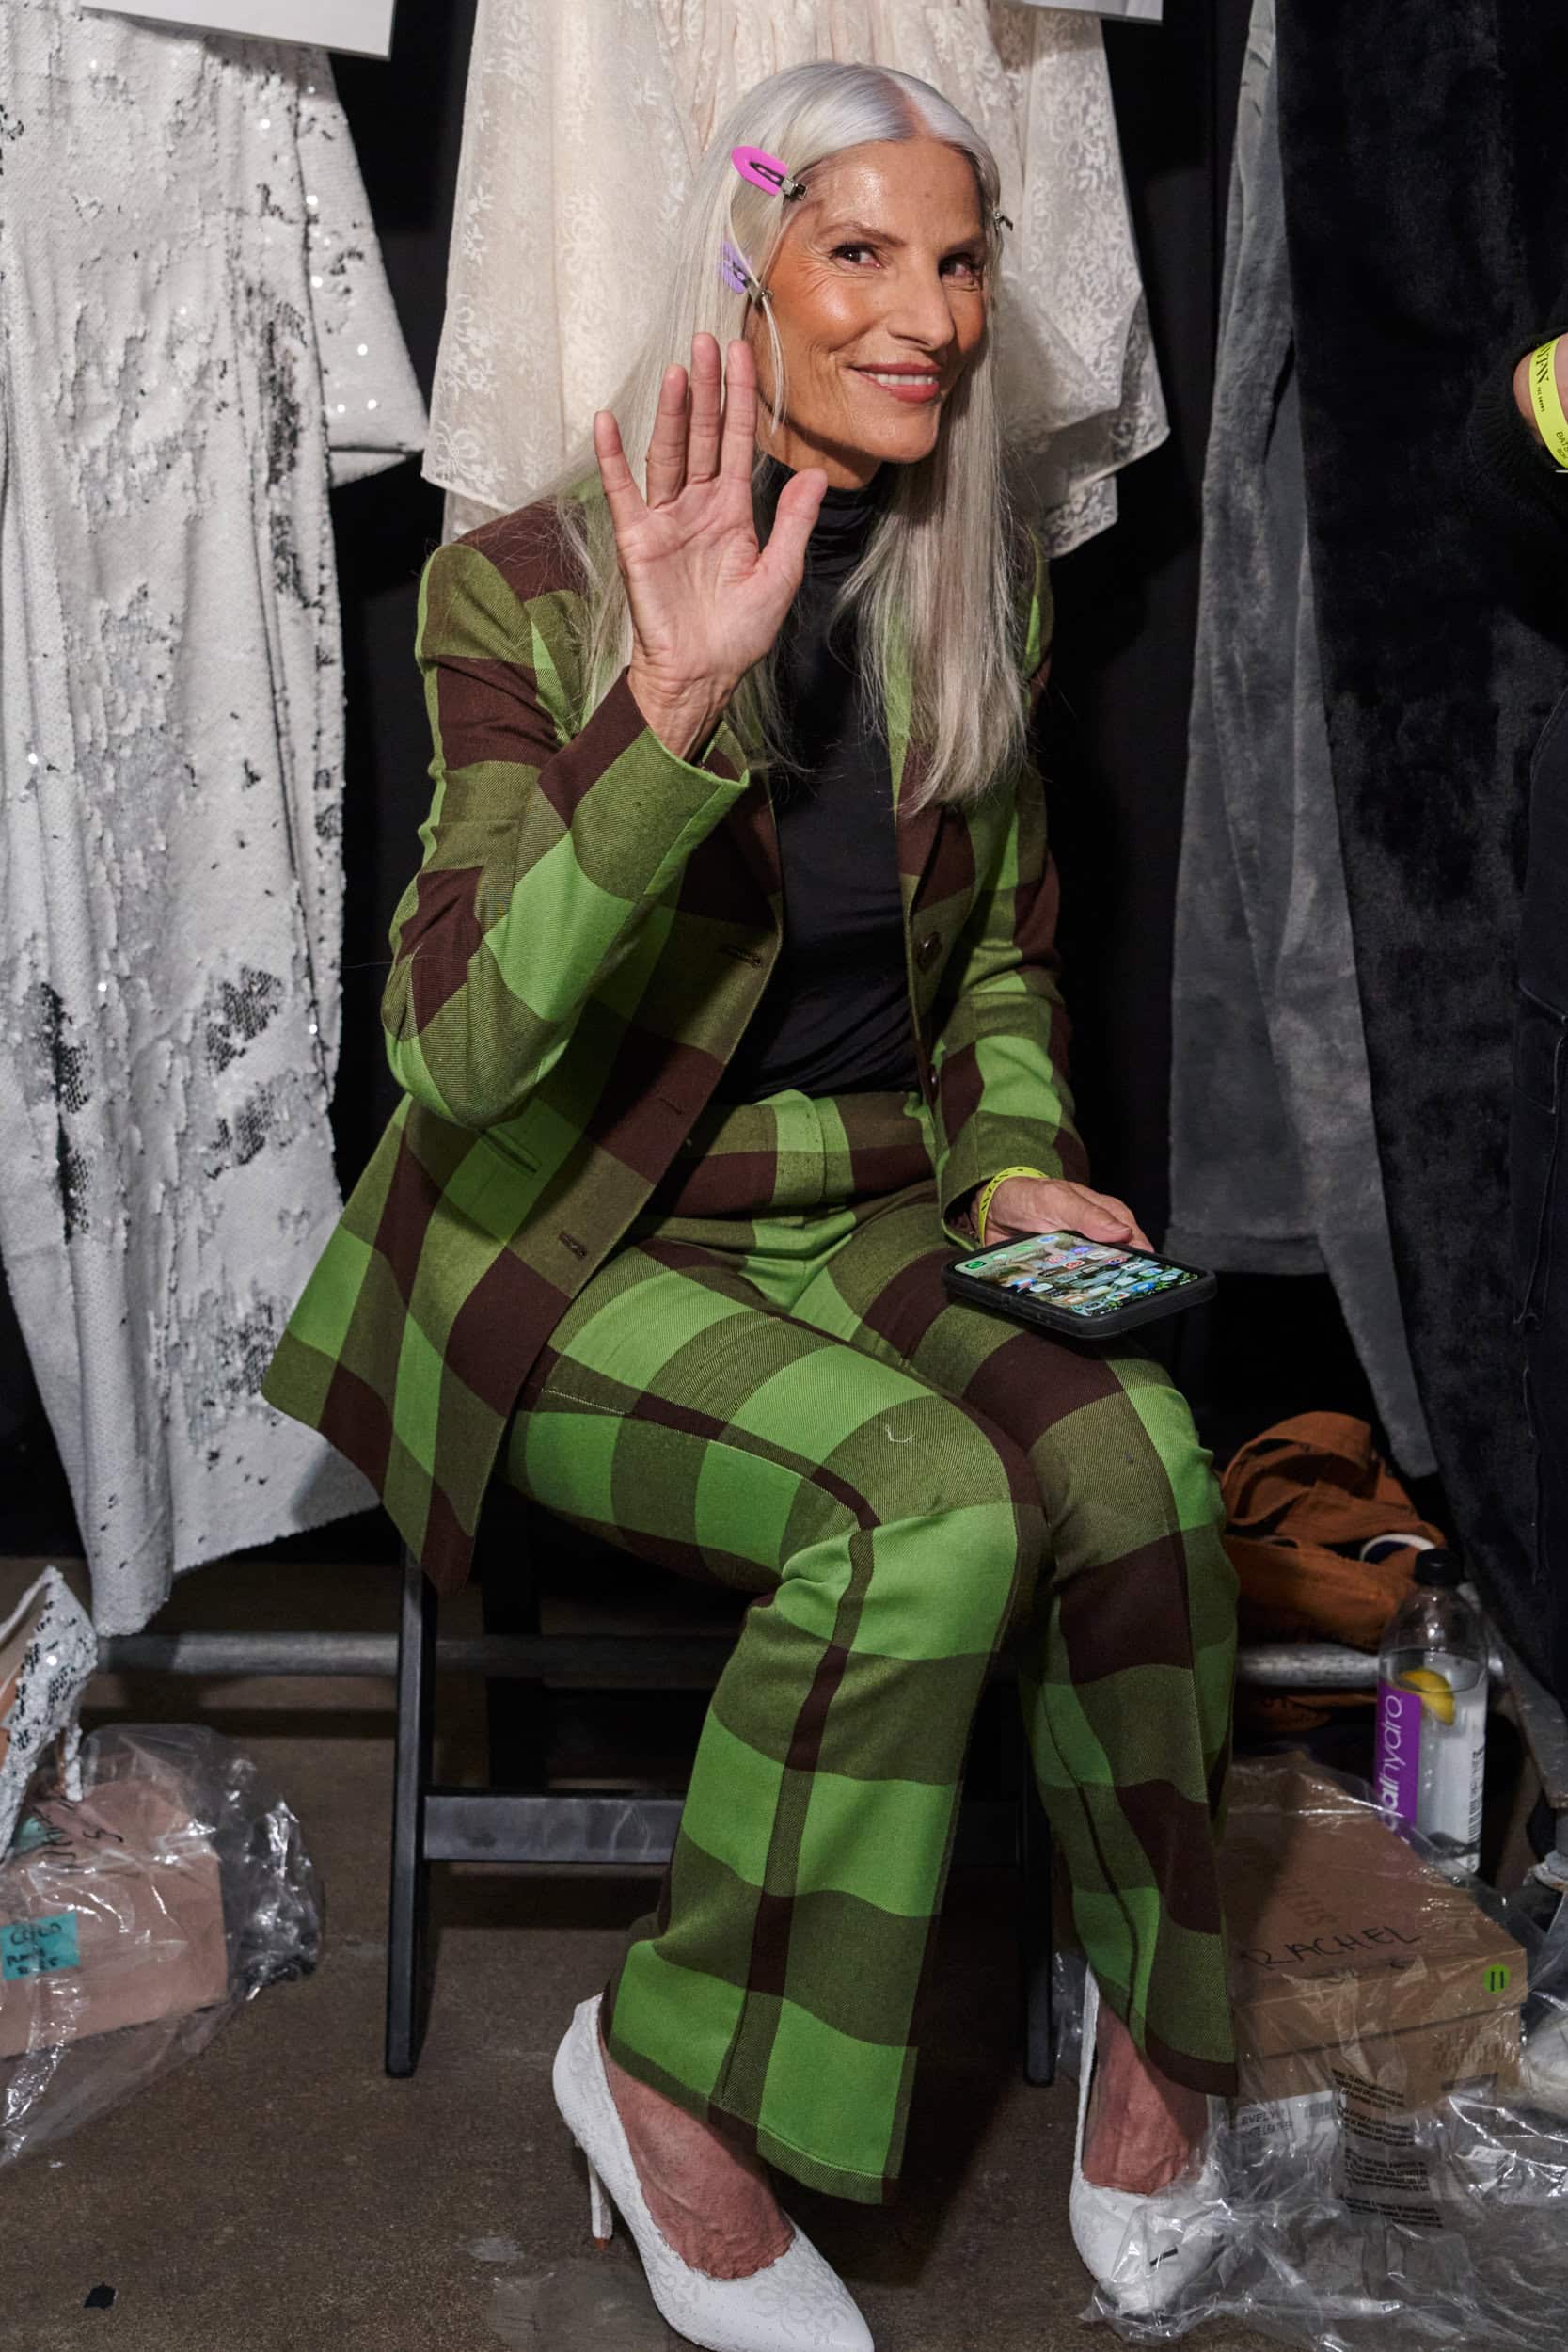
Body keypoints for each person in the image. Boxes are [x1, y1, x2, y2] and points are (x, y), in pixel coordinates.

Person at [262, 60, 1238, 2350]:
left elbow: (999, 966)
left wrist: (1017, 1145)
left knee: (1144, 1469)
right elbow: (455, 1051)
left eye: (959, 261)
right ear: (749, 270)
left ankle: (1157, 2024)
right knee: (932, 1512)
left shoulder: (967, 581)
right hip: (582, 1236)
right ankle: (671, 2082)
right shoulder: (521, 589)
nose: (929, 314)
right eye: (859, 252)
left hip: (879, 1205)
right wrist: (670, 701)